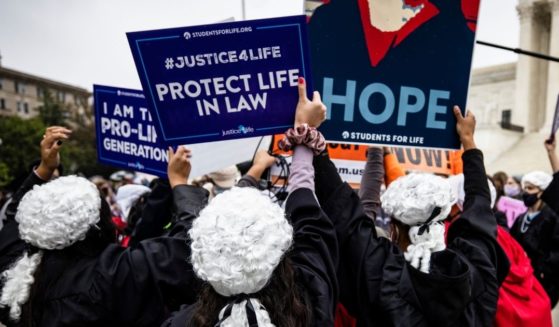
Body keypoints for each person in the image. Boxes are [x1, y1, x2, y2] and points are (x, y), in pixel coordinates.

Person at [163, 77, 338, 326]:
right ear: (281, 253)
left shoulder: (181, 323)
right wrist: (304, 132)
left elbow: (309, 221)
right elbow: (309, 217)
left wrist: (180, 183)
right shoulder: (311, 304)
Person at [312, 106, 508, 326]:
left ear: (394, 230)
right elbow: (480, 206)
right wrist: (468, 141)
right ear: (441, 220)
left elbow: (346, 216)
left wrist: (315, 147)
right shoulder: (475, 269)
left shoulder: (382, 275)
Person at [0, 126, 208, 326]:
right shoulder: (113, 274)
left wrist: (45, 168)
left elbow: (13, 217)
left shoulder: (15, 270)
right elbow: (190, 246)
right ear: (97, 227)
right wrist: (180, 182)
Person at [510, 169, 559, 308]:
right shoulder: (521, 218)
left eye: (530, 188)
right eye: (524, 188)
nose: (526, 192)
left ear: (541, 192)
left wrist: (544, 270)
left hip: (543, 280)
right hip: (522, 278)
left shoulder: (552, 218)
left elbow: (556, 249)